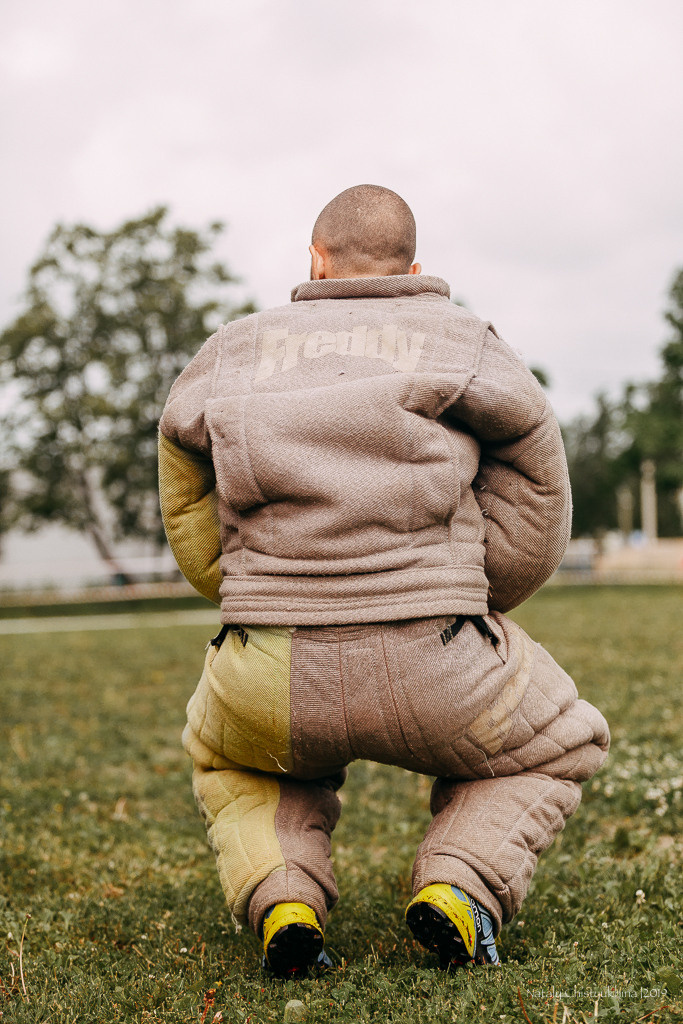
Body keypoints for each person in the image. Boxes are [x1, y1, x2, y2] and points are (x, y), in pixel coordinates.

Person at [158, 184, 609, 977]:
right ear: (413, 267)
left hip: (267, 660)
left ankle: (284, 894)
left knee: (231, 757)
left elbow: (181, 464)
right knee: (559, 741)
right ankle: (461, 883)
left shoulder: (232, 348)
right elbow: (536, 471)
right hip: (440, 654)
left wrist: (232, 582)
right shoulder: (460, 340)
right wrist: (474, 585)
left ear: (314, 260)